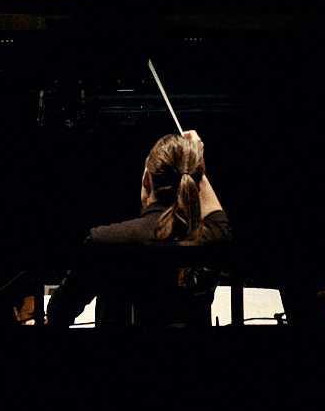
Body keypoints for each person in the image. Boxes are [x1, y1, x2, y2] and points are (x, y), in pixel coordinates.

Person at [46, 129, 230, 328]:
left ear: (145, 179)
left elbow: (59, 313)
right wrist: (194, 159)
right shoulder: (216, 237)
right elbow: (216, 214)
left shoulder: (105, 241)